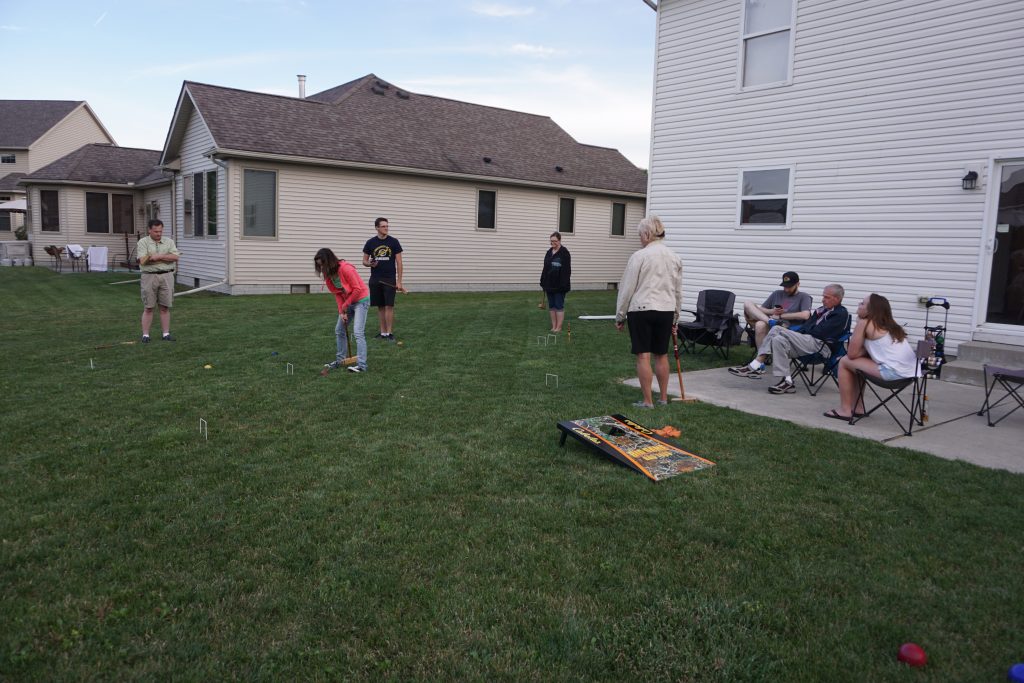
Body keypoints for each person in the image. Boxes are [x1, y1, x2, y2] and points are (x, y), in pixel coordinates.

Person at [729, 284, 850, 395]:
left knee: (777, 329)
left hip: (820, 347)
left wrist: (799, 333)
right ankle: (787, 382)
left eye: (827, 297)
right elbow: (807, 327)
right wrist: (799, 333)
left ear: (837, 299)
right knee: (778, 341)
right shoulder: (821, 310)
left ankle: (756, 364)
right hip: (806, 343)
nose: (823, 299)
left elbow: (820, 333)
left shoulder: (840, 314)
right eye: (823, 296)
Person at [614, 215, 683, 408]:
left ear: (647, 234)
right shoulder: (675, 257)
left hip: (641, 310)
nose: (639, 238)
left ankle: (647, 401)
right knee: (661, 354)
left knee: (643, 355)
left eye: (640, 234)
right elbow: (678, 290)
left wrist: (620, 315)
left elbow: (627, 288)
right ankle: (662, 398)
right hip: (666, 310)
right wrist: (675, 318)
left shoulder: (639, 256)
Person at [824, 293, 919, 420]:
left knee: (844, 361)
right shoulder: (890, 325)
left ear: (871, 310)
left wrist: (859, 323)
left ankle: (845, 410)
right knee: (857, 364)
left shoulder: (865, 323)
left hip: (893, 374)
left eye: (862, 303)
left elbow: (851, 354)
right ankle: (858, 408)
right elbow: (864, 354)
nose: (859, 304)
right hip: (910, 374)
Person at [315, 248, 370, 373]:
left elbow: (357, 289)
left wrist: (346, 304)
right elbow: (337, 294)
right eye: (319, 265)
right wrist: (342, 311)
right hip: (348, 302)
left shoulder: (346, 269)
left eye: (323, 264)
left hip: (361, 300)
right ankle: (340, 360)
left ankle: (362, 365)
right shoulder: (328, 276)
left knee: (358, 332)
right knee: (339, 330)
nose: (322, 267)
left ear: (329, 261)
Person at [741, 271, 813, 348]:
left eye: (790, 287)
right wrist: (772, 311)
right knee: (748, 304)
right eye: (785, 286)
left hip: (788, 328)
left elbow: (805, 315)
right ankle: (762, 358)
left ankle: (762, 357)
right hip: (771, 324)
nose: (787, 290)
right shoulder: (777, 293)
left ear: (798, 284)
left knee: (760, 324)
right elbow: (762, 309)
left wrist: (780, 316)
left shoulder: (804, 296)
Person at [136, 219, 180, 342]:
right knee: (148, 307)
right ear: (149, 230)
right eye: (155, 231)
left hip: (167, 276)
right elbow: (143, 260)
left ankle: (166, 334)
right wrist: (166, 258)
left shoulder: (169, 242)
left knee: (165, 306)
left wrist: (159, 257)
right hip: (149, 276)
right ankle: (145, 335)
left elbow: (176, 257)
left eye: (160, 231)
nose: (158, 234)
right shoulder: (143, 242)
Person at [362, 217, 404, 342]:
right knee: (380, 306)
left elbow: (399, 263)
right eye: (383, 226)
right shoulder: (370, 243)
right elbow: (364, 261)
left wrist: (399, 281)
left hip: (389, 278)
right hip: (375, 279)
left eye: (387, 226)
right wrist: (370, 264)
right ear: (377, 228)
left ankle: (390, 333)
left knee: (389, 306)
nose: (386, 228)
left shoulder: (394, 242)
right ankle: (383, 333)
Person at [540, 232, 571, 332]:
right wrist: (542, 281)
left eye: (555, 241)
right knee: (552, 306)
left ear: (560, 240)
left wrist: (563, 284)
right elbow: (545, 268)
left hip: (560, 285)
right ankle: (553, 326)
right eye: (551, 241)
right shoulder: (549, 252)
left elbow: (567, 271)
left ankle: (559, 327)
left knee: (558, 306)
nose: (553, 243)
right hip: (549, 284)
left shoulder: (564, 253)